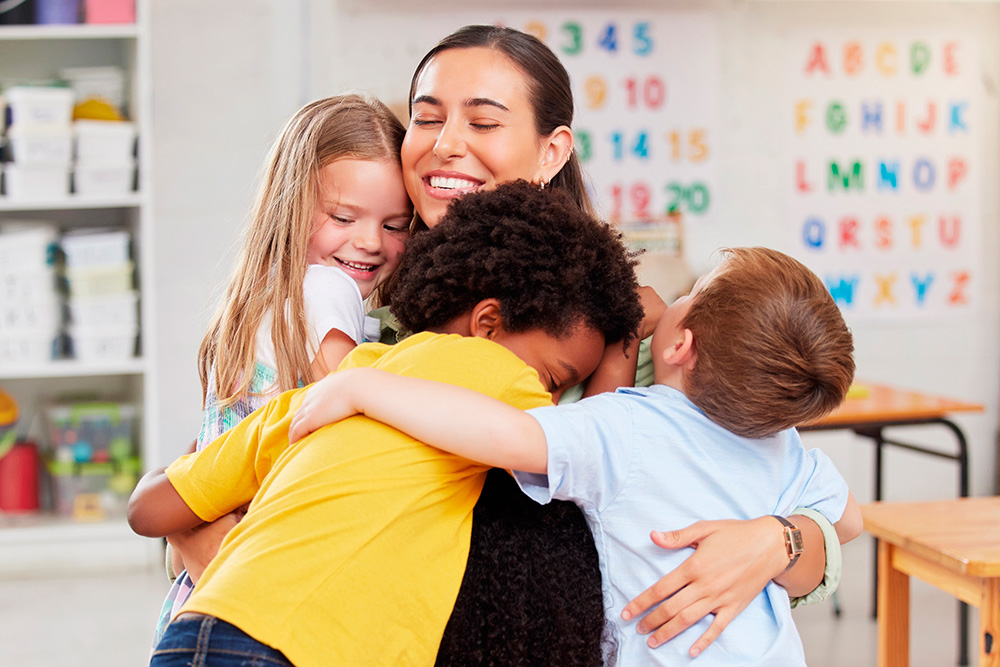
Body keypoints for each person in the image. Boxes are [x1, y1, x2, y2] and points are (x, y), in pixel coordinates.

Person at [170, 24, 846, 662]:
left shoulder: (622, 321)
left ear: (552, 150)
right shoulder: (353, 297)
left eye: (484, 121)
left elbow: (791, 494)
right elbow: (209, 487)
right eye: (428, 117)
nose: (446, 143)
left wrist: (778, 540)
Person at [129, 181, 645, 666]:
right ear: (487, 325)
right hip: (298, 650)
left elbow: (148, 511)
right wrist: (623, 351)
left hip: (197, 630)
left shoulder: (326, 394)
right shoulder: (499, 375)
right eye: (554, 379)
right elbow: (578, 458)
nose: (550, 398)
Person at [290, 246, 864, 665]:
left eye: (690, 292)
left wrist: (363, 387)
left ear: (681, 342)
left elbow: (504, 433)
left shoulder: (630, 427)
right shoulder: (778, 441)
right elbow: (850, 518)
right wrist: (776, 532)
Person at [152, 93, 412, 644]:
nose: (370, 241)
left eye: (396, 225)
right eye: (344, 217)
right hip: (267, 583)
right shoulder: (326, 288)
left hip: (205, 593)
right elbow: (353, 407)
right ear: (292, 207)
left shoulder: (258, 302)